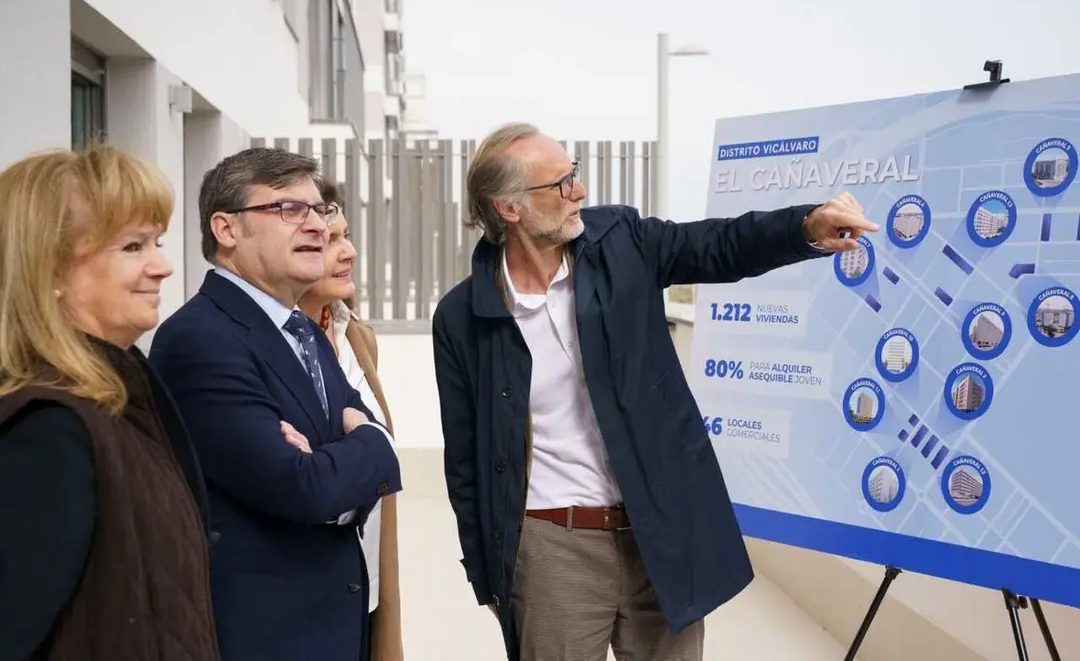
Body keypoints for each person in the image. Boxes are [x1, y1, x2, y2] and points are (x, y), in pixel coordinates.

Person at [431, 122, 879, 661]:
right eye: (560, 184)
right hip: (553, 549)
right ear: (509, 208)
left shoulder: (620, 241)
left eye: (574, 174)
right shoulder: (461, 318)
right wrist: (488, 574)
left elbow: (718, 244)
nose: (579, 191)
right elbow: (465, 461)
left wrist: (804, 227)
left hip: (657, 533)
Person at [148, 147, 402, 661]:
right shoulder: (200, 338)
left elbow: (360, 457)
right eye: (289, 209)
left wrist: (344, 457)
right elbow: (302, 488)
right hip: (264, 635)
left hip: (333, 625)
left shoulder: (303, 327)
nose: (316, 225)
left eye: (320, 209)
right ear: (227, 229)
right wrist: (366, 446)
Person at [0, 146, 220, 661]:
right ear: (50, 269)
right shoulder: (50, 429)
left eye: (157, 242)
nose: (162, 266)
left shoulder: (120, 399)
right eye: (132, 247)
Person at [291, 183, 404, 661]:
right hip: (306, 596)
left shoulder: (355, 335)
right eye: (331, 239)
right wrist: (368, 453)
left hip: (364, 585)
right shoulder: (268, 345)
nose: (349, 251)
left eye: (345, 235)